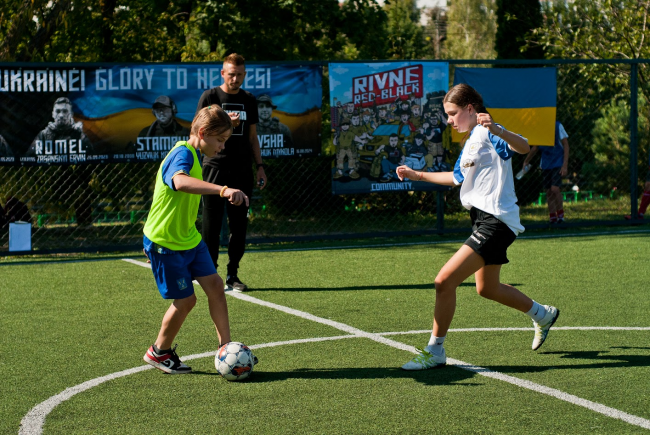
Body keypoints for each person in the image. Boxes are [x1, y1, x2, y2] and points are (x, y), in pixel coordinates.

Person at [396, 84, 560, 371]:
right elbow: (456, 177)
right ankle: (543, 314)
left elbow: (522, 146)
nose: (449, 120)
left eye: (453, 113)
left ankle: (435, 350)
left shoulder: (487, 131)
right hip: (485, 221)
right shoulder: (472, 139)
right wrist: (415, 175)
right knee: (487, 288)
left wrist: (497, 128)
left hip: (496, 222)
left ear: (470, 109)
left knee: (443, 281)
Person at [142, 105, 255, 374]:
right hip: (165, 242)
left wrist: (229, 123)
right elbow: (180, 182)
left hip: (189, 239)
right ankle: (159, 352)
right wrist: (224, 190)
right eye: (220, 141)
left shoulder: (194, 150)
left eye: (225, 141)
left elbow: (213, 123)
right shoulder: (182, 153)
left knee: (216, 286)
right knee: (186, 301)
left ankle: (227, 348)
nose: (222, 147)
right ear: (203, 133)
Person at [195, 53, 267, 292]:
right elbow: (198, 129)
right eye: (231, 73)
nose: (235, 78)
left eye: (239, 74)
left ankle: (232, 274)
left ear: (244, 75)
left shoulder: (249, 99)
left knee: (239, 226)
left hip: (242, 170)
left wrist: (260, 167)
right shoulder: (211, 96)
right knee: (211, 225)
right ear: (222, 73)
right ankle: (209, 272)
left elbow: (253, 137)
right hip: (214, 168)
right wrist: (225, 120)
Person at [521, 121, 569, 224]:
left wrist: (564, 165)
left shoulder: (558, 126)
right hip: (545, 165)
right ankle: (552, 218)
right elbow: (535, 148)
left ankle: (561, 217)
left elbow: (566, 145)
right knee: (548, 192)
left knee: (555, 189)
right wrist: (526, 161)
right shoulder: (540, 128)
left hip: (557, 163)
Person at [25, 97, 93, 161]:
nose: (61, 115)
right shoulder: (43, 135)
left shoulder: (79, 135)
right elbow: (29, 159)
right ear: (53, 114)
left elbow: (92, 158)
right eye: (58, 111)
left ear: (71, 114)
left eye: (65, 111)